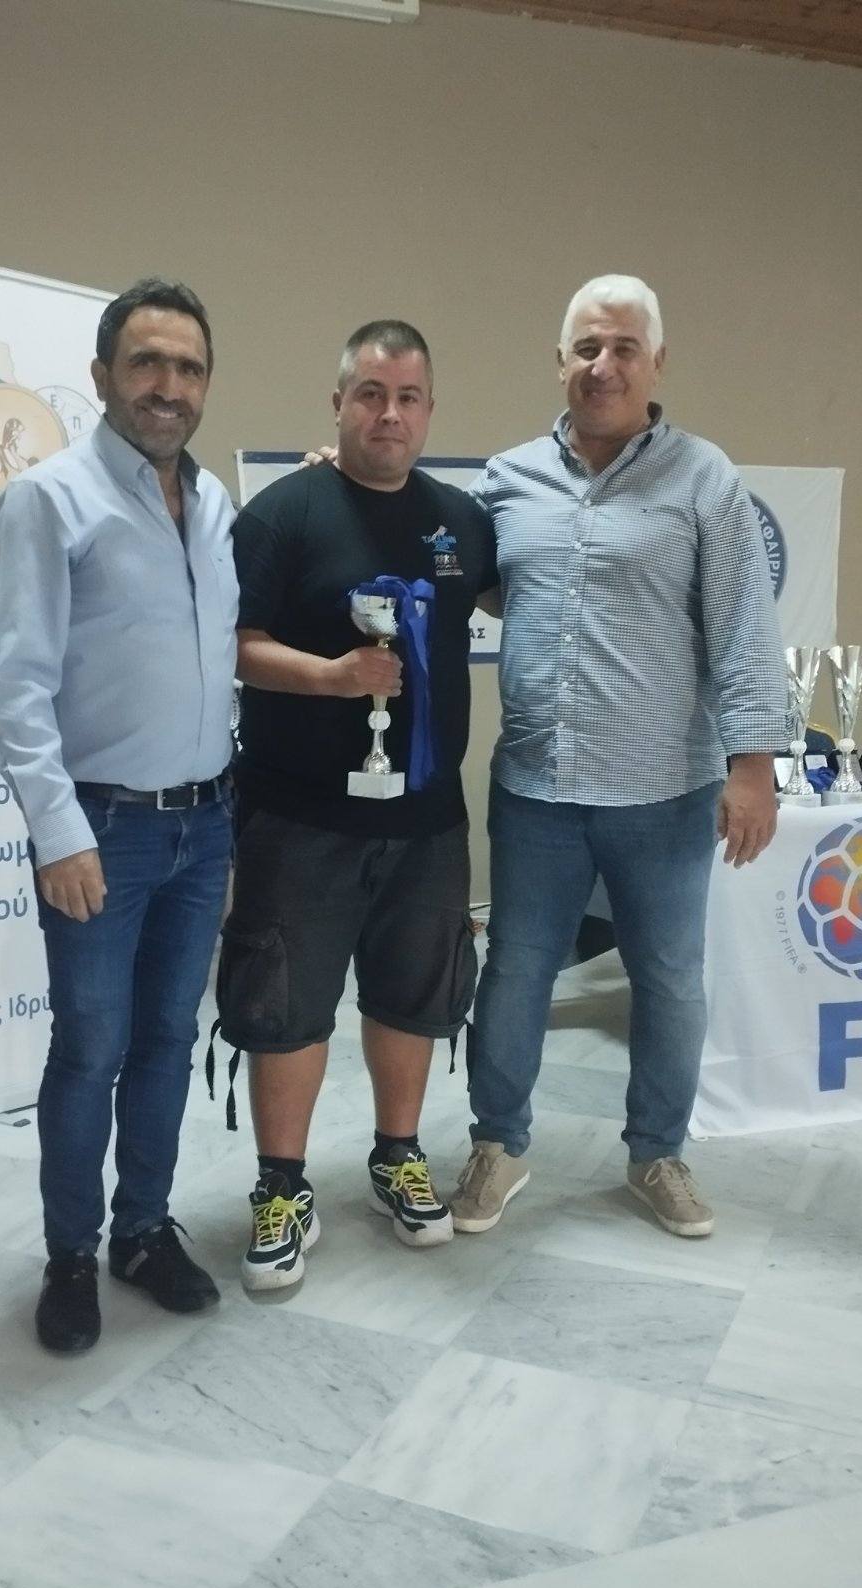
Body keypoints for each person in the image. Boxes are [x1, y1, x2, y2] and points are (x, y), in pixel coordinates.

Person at [452, 274, 787, 1240]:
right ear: (559, 360)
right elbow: (446, 564)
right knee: (515, 972)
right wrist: (338, 483)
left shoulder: (703, 478)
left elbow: (743, 626)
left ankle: (657, 1155)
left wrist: (752, 767)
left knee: (669, 979)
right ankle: (498, 1145)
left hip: (664, 791)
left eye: (624, 348)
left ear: (656, 363)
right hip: (536, 789)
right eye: (587, 347)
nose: (603, 366)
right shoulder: (507, 479)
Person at [0, 277, 237, 1351]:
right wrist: (58, 832)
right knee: (90, 1046)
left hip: (204, 823)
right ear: (101, 376)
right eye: (146, 363)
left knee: (169, 1038)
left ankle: (142, 1231)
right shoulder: (47, 501)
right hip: (104, 830)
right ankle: (71, 1256)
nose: (167, 386)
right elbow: (15, 687)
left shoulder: (215, 506)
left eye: (187, 367)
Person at [217, 320, 498, 1290]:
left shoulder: (462, 523)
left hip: (425, 821)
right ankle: (280, 1186)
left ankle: (396, 1154)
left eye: (407, 397)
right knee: (285, 1005)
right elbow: (232, 644)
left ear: (429, 411)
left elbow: (526, 599)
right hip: (297, 817)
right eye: (370, 394)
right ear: (337, 403)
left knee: (413, 995)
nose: (388, 414)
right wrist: (334, 678)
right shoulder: (281, 514)